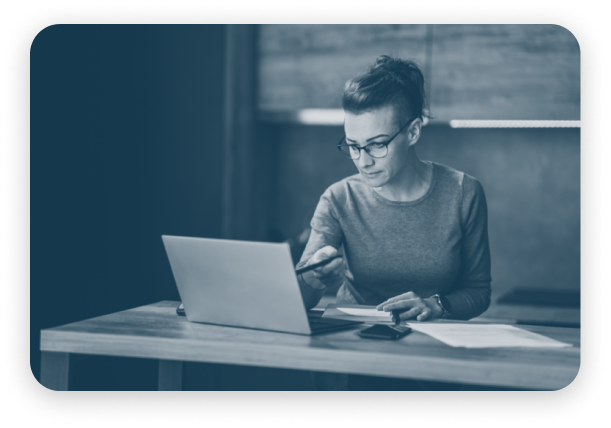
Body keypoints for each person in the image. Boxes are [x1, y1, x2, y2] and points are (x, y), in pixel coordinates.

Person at [294, 55, 492, 391]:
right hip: (350, 359)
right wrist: (313, 276)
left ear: (413, 131)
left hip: (430, 361)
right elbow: (298, 299)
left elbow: (478, 291)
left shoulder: (463, 193)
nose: (363, 161)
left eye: (376, 145)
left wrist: (438, 305)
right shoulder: (339, 198)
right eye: (353, 146)